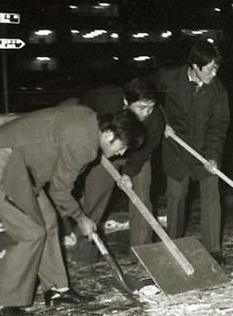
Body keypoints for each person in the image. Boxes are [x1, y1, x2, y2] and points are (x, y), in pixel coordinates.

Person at [0, 106, 144, 316]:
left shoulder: (89, 118)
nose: (122, 153)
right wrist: (81, 218)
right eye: (123, 146)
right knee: (30, 233)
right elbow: (59, 190)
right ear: (109, 134)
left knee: (48, 221)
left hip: (20, 168)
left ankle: (56, 290)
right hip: (0, 166)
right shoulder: (84, 144)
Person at [69, 78, 164, 264]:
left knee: (142, 199)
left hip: (137, 156)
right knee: (95, 199)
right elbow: (83, 114)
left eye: (150, 107)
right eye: (141, 107)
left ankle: (142, 253)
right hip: (106, 151)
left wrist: (129, 172)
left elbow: (146, 149)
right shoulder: (106, 101)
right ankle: (85, 255)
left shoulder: (156, 119)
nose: (146, 113)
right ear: (127, 102)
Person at [153, 42, 230, 262]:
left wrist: (213, 156)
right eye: (209, 69)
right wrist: (160, 122)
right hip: (176, 149)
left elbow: (219, 125)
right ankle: (174, 245)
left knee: (211, 195)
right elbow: (145, 93)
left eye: (216, 69)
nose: (214, 74)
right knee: (176, 196)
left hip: (205, 151)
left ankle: (213, 249)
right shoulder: (169, 78)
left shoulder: (217, 90)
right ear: (195, 66)